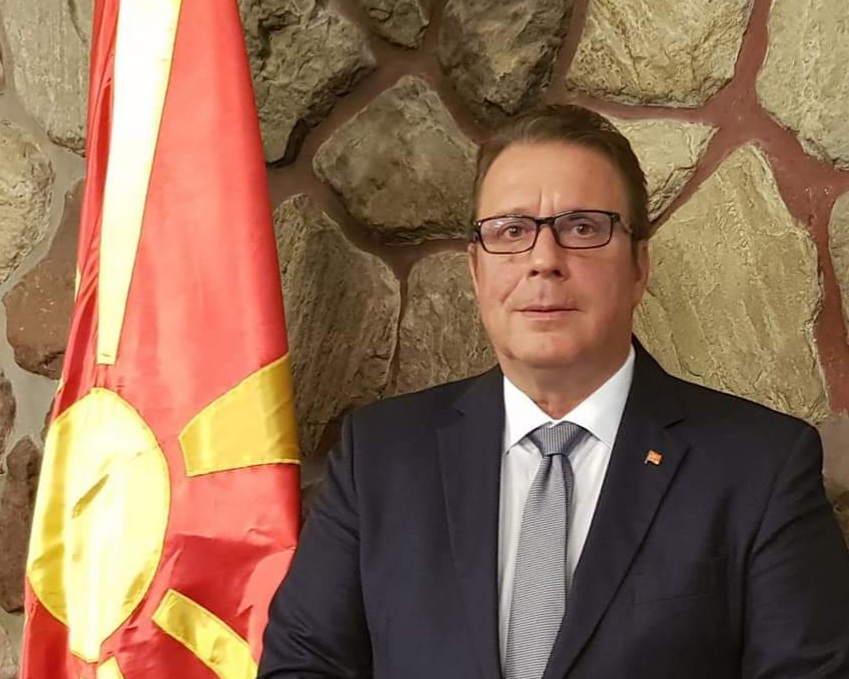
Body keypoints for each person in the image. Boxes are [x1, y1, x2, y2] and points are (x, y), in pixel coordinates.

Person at [257, 105, 849, 678]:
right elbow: (304, 665)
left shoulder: (761, 469)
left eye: (582, 228)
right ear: (476, 271)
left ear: (639, 266)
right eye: (512, 230)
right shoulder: (379, 456)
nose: (544, 260)